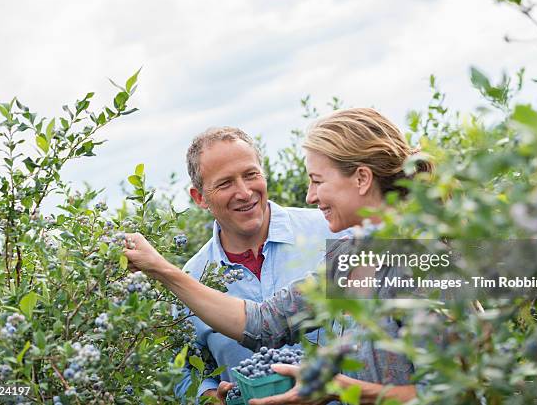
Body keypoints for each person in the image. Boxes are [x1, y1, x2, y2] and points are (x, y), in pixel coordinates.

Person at [125, 108, 433, 404]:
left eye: (317, 180)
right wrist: (162, 269)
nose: (310, 196)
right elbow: (264, 323)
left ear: (362, 179)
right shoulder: (351, 259)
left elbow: (468, 387)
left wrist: (340, 389)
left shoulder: (435, 259)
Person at [172, 127, 342, 401]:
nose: (244, 192)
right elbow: (181, 370)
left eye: (251, 175)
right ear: (200, 197)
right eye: (225, 183)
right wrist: (209, 395)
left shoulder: (331, 233)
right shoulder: (191, 280)